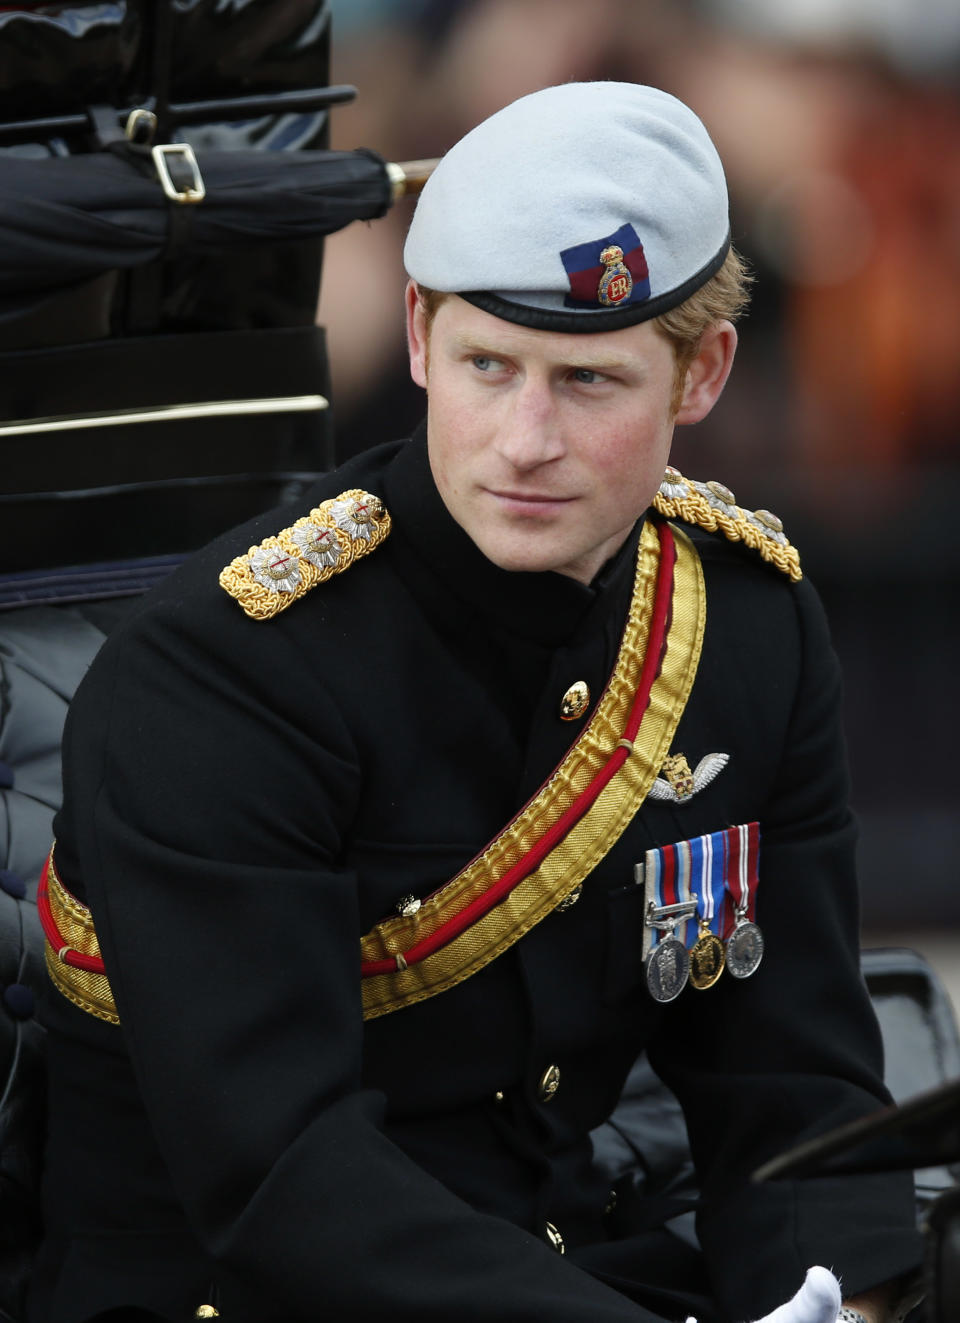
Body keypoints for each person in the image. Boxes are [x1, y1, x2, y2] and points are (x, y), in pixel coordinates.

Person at [30, 83, 922, 1323]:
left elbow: (791, 1083)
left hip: (568, 1262)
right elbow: (283, 1181)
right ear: (415, 338)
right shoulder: (224, 675)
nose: (523, 440)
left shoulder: (745, 630)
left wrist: (853, 1303)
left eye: (589, 383)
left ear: (702, 374)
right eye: (487, 366)